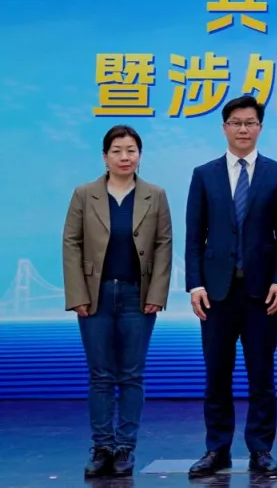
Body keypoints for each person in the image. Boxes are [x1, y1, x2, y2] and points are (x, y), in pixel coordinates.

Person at [185, 95, 277, 479]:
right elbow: (194, 235)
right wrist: (195, 284)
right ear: (224, 128)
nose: (243, 129)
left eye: (250, 123)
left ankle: (261, 449)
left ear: (260, 128)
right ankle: (216, 448)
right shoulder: (204, 174)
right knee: (217, 374)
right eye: (236, 123)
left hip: (261, 292)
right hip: (215, 293)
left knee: (261, 374)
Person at [62, 125, 172, 479]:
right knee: (100, 375)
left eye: (131, 150)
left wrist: (156, 294)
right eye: (117, 151)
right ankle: (102, 447)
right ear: (105, 156)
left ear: (140, 155)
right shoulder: (84, 194)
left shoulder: (155, 195)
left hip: (137, 296)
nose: (125, 157)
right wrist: (78, 295)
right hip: (95, 296)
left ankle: (125, 447)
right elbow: (71, 243)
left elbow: (163, 245)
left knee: (131, 375)